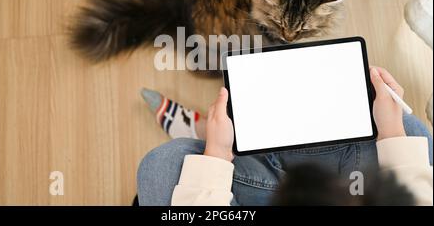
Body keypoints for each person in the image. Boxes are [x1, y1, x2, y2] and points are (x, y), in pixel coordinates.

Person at [137, 67, 433, 205]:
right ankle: (237, 132)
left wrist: (216, 153)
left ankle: (223, 134)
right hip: (347, 191)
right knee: (409, 130)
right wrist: (392, 131)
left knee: (162, 167)